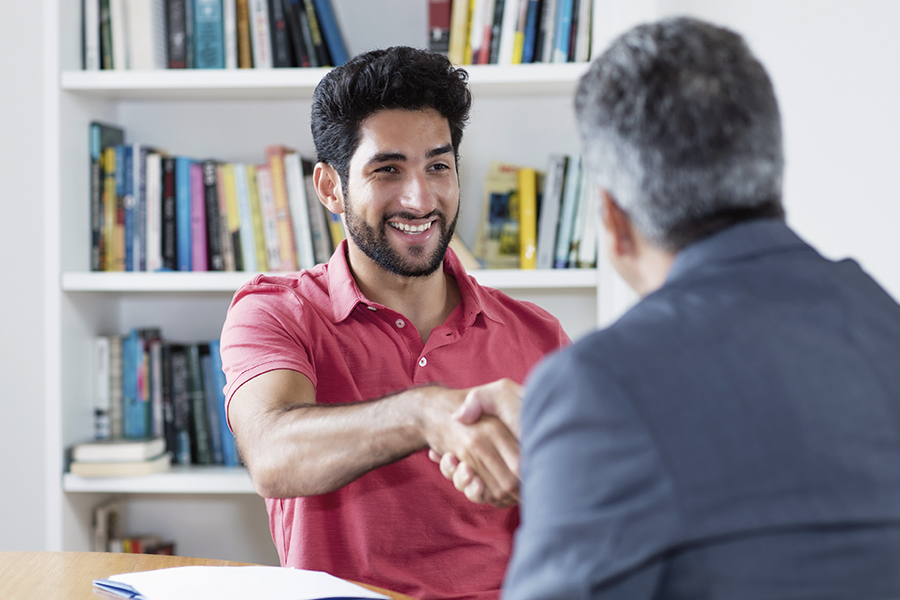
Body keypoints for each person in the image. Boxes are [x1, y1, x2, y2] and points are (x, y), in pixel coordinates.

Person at [445, 16, 900, 599]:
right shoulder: (884, 323)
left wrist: (579, 446)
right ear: (768, 172)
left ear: (611, 218)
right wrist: (569, 467)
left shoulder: (599, 386)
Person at [218, 46, 569, 600]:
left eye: (438, 166)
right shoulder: (274, 311)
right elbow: (271, 455)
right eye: (387, 170)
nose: (419, 198)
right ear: (330, 188)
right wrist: (424, 412)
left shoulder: (538, 335)